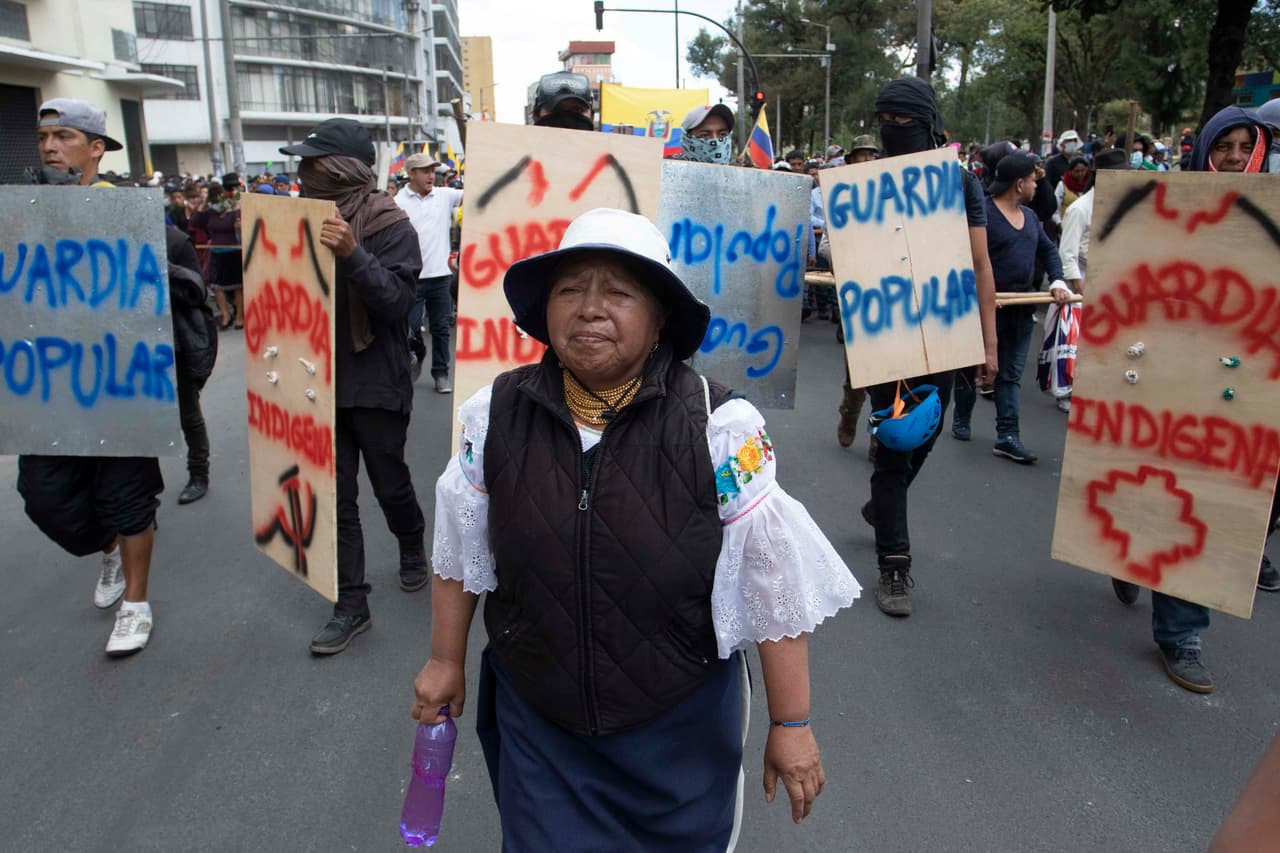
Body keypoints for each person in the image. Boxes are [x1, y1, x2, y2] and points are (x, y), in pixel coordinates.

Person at [411, 207, 859, 847]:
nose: (589, 309)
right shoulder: (496, 415)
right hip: (540, 721)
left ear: (660, 324)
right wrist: (443, 660)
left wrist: (792, 724)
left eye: (619, 293)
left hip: (676, 731)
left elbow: (769, 581)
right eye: (569, 291)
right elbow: (461, 547)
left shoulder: (721, 428)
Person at [1112, 104, 1276, 694]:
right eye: (1224, 145)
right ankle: (1142, 575)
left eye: (1244, 146)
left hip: (1237, 388)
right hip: (1163, 376)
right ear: (1204, 146)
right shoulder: (1164, 206)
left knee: (1206, 503)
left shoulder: (1271, 215)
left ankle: (1182, 631)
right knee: (1156, 488)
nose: (1234, 157)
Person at [277, 119, 430, 654]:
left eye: (311, 166)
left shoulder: (390, 223)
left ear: (339, 169)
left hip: (376, 381)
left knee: (390, 484)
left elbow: (394, 305)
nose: (301, 175)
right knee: (334, 496)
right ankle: (351, 605)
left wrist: (351, 253)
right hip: (315, 378)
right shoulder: (295, 221)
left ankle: (412, 544)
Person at [18, 98, 163, 655]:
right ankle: (107, 547)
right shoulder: (23, 210)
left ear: (96, 148)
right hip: (48, 385)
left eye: (65, 136)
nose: (50, 147)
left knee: (127, 496)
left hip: (120, 385)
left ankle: (136, 602)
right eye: (43, 138)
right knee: (44, 495)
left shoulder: (128, 212)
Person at [858, 78, 998, 618]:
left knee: (928, 429)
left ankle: (880, 506)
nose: (893, 130)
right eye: (884, 120)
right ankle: (894, 565)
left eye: (903, 121)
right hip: (885, 330)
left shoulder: (960, 184)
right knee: (896, 439)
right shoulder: (863, 184)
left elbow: (980, 264)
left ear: (928, 124)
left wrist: (987, 342)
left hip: (943, 330)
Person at [951, 153, 1065, 464]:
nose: (1035, 185)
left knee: (1010, 374)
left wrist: (1058, 281)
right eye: (1032, 180)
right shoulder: (982, 216)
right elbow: (968, 262)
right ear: (1018, 184)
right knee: (971, 371)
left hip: (1021, 308)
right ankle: (961, 417)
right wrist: (984, 298)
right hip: (985, 308)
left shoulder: (1030, 218)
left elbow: (1049, 251)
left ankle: (1007, 435)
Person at [1042, 148, 1127, 414]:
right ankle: (1067, 391)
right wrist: (1079, 287)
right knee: (1074, 344)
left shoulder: (1120, 207)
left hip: (1112, 282)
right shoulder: (1080, 209)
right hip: (1081, 284)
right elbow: (1066, 253)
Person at [396, 151, 463, 393]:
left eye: (433, 171)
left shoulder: (445, 196)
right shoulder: (397, 202)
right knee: (411, 328)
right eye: (425, 171)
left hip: (441, 277)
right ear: (411, 173)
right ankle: (411, 364)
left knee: (441, 329)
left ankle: (441, 374)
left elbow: (476, 191)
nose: (431, 176)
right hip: (411, 278)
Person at [166, 211, 218, 505]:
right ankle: (143, 495)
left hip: (175, 343)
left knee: (188, 413)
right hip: (132, 349)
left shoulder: (175, 242)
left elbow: (197, 291)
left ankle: (199, 473)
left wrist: (165, 269)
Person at [189, 182, 242, 329]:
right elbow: (194, 222)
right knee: (217, 287)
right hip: (216, 252)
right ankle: (225, 315)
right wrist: (201, 207)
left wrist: (238, 225)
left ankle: (239, 317)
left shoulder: (233, 210)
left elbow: (241, 225)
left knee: (238, 286)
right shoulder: (210, 212)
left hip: (233, 251)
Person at [1053, 156, 1092, 226]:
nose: (1080, 174)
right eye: (1077, 171)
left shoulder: (1091, 185)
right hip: (1067, 224)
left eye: (1083, 171)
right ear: (1070, 171)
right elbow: (1055, 209)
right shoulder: (1062, 185)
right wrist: (1059, 223)